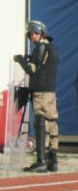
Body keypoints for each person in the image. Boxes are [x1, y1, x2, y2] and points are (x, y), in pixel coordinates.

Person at [15, 20, 59, 173]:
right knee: (51, 123)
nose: (32, 36)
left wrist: (20, 59)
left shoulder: (40, 47)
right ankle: (52, 160)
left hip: (41, 93)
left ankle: (41, 161)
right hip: (51, 92)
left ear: (42, 34)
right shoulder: (52, 47)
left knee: (40, 123)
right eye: (31, 33)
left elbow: (32, 70)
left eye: (35, 33)